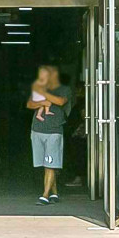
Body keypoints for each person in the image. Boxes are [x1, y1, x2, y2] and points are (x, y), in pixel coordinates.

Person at [27, 65, 73, 205]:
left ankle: (45, 195)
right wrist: (42, 101)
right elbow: (30, 104)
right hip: (37, 129)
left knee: (50, 164)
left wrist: (43, 94)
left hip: (54, 131)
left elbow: (60, 101)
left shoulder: (64, 89)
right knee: (46, 164)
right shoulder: (40, 87)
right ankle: (55, 193)